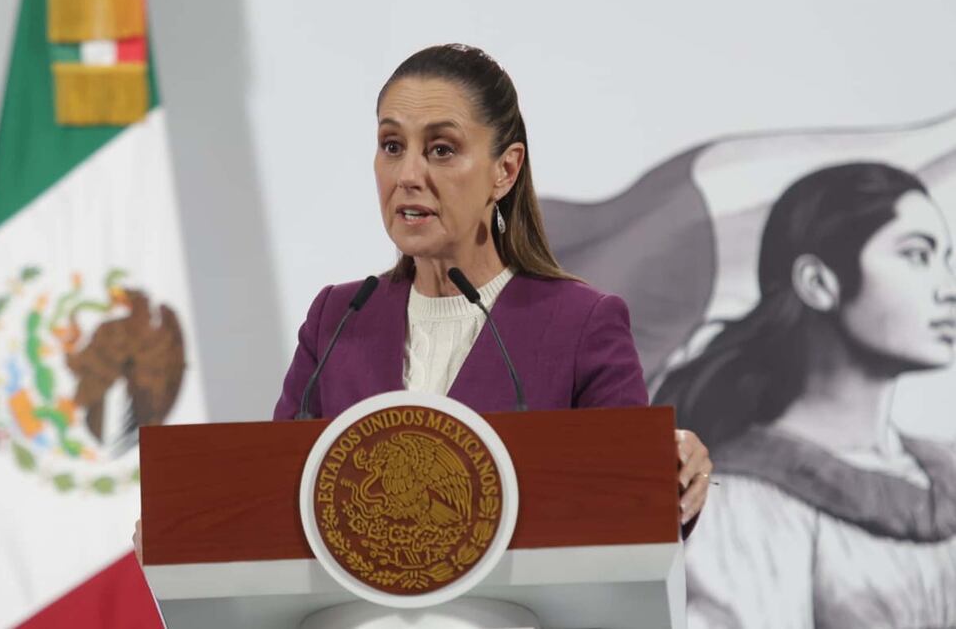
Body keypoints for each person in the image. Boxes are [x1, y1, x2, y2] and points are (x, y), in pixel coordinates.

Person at [135, 44, 712, 563]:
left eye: (441, 149)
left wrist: (674, 472)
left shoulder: (580, 324)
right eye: (392, 146)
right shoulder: (338, 319)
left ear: (504, 170)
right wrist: (185, 533)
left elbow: (637, 515)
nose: (408, 175)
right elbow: (276, 503)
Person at [655, 162, 956, 628]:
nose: (949, 288)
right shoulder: (743, 498)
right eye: (917, 255)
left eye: (948, 260)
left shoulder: (943, 468)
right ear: (819, 283)